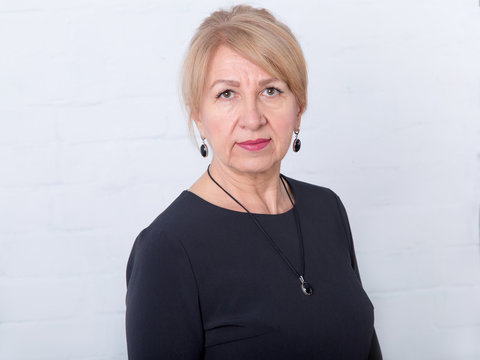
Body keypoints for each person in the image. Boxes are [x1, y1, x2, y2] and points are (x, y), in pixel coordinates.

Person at [125, 5, 382, 359]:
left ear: (299, 106)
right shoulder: (167, 249)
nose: (252, 118)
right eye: (227, 94)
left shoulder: (327, 210)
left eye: (271, 91)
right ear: (198, 116)